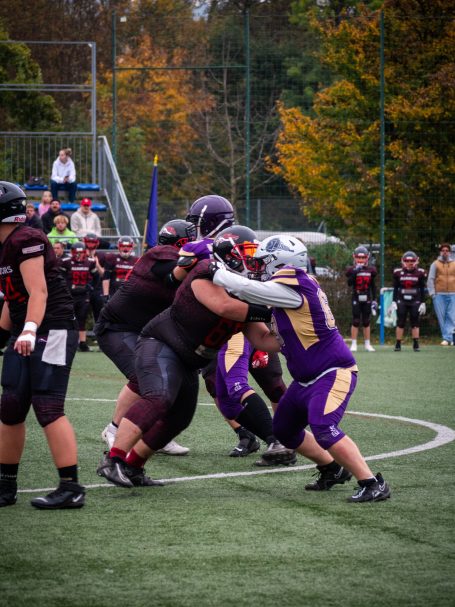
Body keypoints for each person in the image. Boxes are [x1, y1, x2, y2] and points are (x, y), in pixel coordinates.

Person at [212, 233, 391, 503]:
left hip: (332, 371)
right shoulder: (288, 296)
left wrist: (218, 273)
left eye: (263, 262)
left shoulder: (295, 283)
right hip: (306, 379)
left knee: (323, 427)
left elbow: (250, 290)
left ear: (280, 262)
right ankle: (332, 468)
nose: (258, 268)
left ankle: (372, 483)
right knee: (284, 430)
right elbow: (265, 341)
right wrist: (243, 321)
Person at [97, 225, 276, 488]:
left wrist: (289, 330)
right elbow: (224, 306)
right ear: (230, 255)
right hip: (162, 344)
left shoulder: (244, 293)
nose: (253, 262)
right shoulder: (206, 272)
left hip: (189, 359)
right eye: (247, 254)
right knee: (158, 397)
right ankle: (113, 459)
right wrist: (272, 309)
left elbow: (263, 339)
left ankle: (134, 466)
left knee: (179, 417)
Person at [182, 195, 288, 458]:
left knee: (271, 383)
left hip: (248, 327)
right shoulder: (214, 249)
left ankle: (285, 436)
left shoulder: (237, 246)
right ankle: (248, 434)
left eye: (198, 222)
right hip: (220, 329)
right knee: (220, 388)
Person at [0, 181, 84, 509]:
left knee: (48, 406)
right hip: (27, 327)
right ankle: (6, 485)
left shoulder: (27, 238)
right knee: (10, 406)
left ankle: (71, 487)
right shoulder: (5, 245)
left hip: (54, 327)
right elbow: (13, 297)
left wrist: (29, 329)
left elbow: (39, 291)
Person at [95, 219, 198, 465]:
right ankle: (114, 428)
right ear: (182, 242)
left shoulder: (171, 260)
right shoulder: (160, 255)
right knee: (145, 376)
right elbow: (176, 272)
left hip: (144, 331)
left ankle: (156, 435)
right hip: (117, 328)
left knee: (167, 379)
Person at [61, 241, 98, 352]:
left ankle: (82, 343)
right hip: (70, 295)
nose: (79, 255)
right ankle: (68, 342)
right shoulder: (66, 262)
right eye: (76, 253)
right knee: (68, 319)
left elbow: (96, 278)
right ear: (72, 252)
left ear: (84, 252)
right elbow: (61, 278)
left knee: (82, 318)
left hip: (83, 295)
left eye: (81, 253)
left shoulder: (90, 262)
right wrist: (66, 289)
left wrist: (90, 288)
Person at [388, 251, 427, 351]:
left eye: (412, 261)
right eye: (407, 261)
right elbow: (395, 288)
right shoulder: (398, 272)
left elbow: (422, 288)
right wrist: (393, 301)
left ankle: (416, 344)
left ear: (416, 261)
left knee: (415, 321)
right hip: (402, 299)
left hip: (415, 299)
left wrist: (423, 302)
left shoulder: (420, 272)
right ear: (403, 261)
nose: (410, 263)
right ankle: (398, 344)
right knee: (400, 321)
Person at [346, 246, 377, 352]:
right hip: (356, 296)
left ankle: (367, 344)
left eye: (363, 258)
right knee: (355, 320)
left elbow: (373, 286)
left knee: (366, 321)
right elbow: (349, 283)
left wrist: (375, 299)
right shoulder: (351, 269)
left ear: (367, 258)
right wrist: (355, 272)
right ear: (354, 257)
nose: (361, 260)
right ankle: (354, 344)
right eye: (359, 258)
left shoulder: (371, 270)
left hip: (367, 296)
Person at [427, 243, 455, 346]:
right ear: (440, 252)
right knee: (441, 317)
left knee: (451, 316)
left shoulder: (454, 263)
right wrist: (432, 294)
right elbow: (430, 279)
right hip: (439, 294)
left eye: (447, 251)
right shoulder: (435, 264)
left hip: (453, 293)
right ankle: (448, 338)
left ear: (450, 252)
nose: (445, 252)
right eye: (443, 250)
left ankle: (447, 338)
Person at [83, 233, 106, 323]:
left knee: (99, 315)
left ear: (97, 243)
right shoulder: (80, 254)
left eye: (92, 242)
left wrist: (97, 265)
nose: (90, 244)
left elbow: (104, 275)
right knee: (80, 317)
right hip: (83, 289)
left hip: (97, 288)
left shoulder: (101, 255)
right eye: (89, 242)